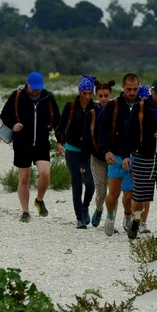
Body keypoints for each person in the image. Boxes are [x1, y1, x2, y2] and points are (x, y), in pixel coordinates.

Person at [122, 78, 157, 243]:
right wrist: (126, 155)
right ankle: (136, 220)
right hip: (142, 157)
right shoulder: (140, 108)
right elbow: (129, 133)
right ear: (152, 91)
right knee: (139, 198)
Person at [0, 72, 61, 222]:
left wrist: (60, 141)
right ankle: (25, 211)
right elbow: (4, 115)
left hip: (41, 143)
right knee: (24, 178)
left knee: (45, 174)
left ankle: (39, 200)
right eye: (34, 88)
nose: (36, 91)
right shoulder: (18, 96)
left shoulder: (48, 97)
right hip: (22, 143)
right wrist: (13, 125)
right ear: (27, 84)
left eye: (39, 88)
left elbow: (58, 121)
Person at [95, 73, 140, 237]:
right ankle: (110, 215)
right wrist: (106, 151)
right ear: (123, 88)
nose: (132, 92)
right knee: (113, 194)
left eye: (135, 89)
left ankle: (128, 216)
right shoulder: (113, 106)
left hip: (135, 155)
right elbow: (102, 131)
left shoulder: (142, 105)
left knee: (130, 194)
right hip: (116, 155)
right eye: (129, 89)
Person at [55, 76, 96, 229]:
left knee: (91, 184)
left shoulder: (95, 108)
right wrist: (59, 142)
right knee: (77, 184)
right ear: (79, 92)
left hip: (90, 152)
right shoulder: (70, 106)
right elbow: (61, 126)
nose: (87, 96)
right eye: (84, 93)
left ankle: (85, 207)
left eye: (90, 93)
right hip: (72, 150)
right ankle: (79, 218)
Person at [82, 79, 114, 228]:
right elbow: (87, 137)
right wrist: (84, 159)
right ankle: (99, 209)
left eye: (106, 95)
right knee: (101, 190)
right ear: (96, 96)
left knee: (113, 192)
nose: (103, 99)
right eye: (100, 96)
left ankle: (110, 217)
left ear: (110, 95)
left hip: (114, 157)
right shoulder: (92, 114)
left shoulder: (116, 111)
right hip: (97, 157)